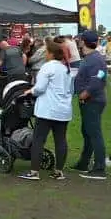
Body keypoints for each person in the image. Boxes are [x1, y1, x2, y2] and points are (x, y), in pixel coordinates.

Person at [18, 40, 72, 181]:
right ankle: (58, 171)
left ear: (50, 54)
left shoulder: (47, 68)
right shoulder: (65, 69)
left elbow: (40, 88)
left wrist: (30, 91)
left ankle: (34, 172)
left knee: (39, 140)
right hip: (63, 110)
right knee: (60, 140)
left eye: (46, 52)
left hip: (48, 110)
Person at [72, 30, 108, 180]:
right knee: (87, 132)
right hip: (89, 100)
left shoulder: (95, 59)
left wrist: (85, 93)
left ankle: (99, 167)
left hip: (92, 101)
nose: (78, 41)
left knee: (94, 133)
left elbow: (99, 78)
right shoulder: (90, 58)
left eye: (80, 39)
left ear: (83, 42)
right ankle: (84, 162)